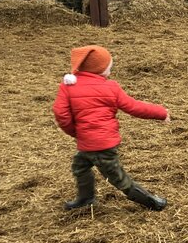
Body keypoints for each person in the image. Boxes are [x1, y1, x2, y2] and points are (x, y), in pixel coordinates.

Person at [53, 46, 169, 211]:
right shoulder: (111, 87)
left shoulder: (68, 86)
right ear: (100, 69)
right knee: (86, 168)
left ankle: (150, 201)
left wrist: (76, 132)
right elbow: (133, 107)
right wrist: (161, 112)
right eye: (109, 67)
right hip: (102, 144)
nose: (110, 70)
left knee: (99, 171)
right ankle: (88, 198)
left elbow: (61, 114)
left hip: (91, 143)